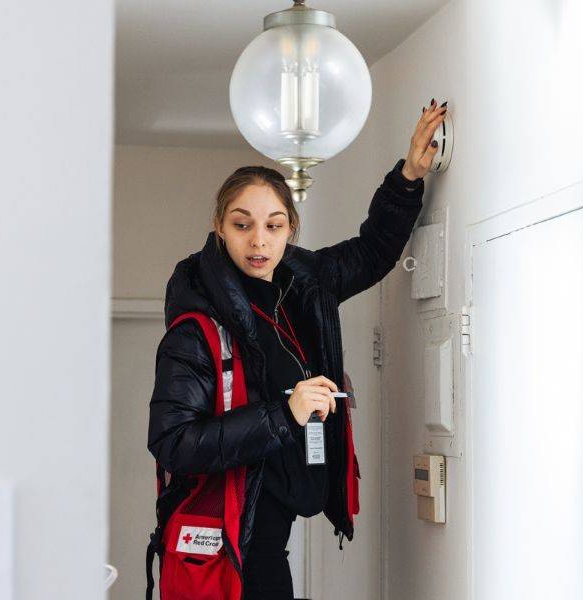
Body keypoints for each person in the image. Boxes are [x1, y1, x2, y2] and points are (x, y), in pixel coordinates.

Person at [148, 100, 447, 598]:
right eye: (242, 224)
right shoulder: (195, 328)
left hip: (271, 540)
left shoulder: (302, 286)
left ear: (291, 229)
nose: (258, 241)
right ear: (219, 226)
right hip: (225, 550)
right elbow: (173, 442)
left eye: (274, 224)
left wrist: (410, 175)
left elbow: (372, 252)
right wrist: (284, 414)